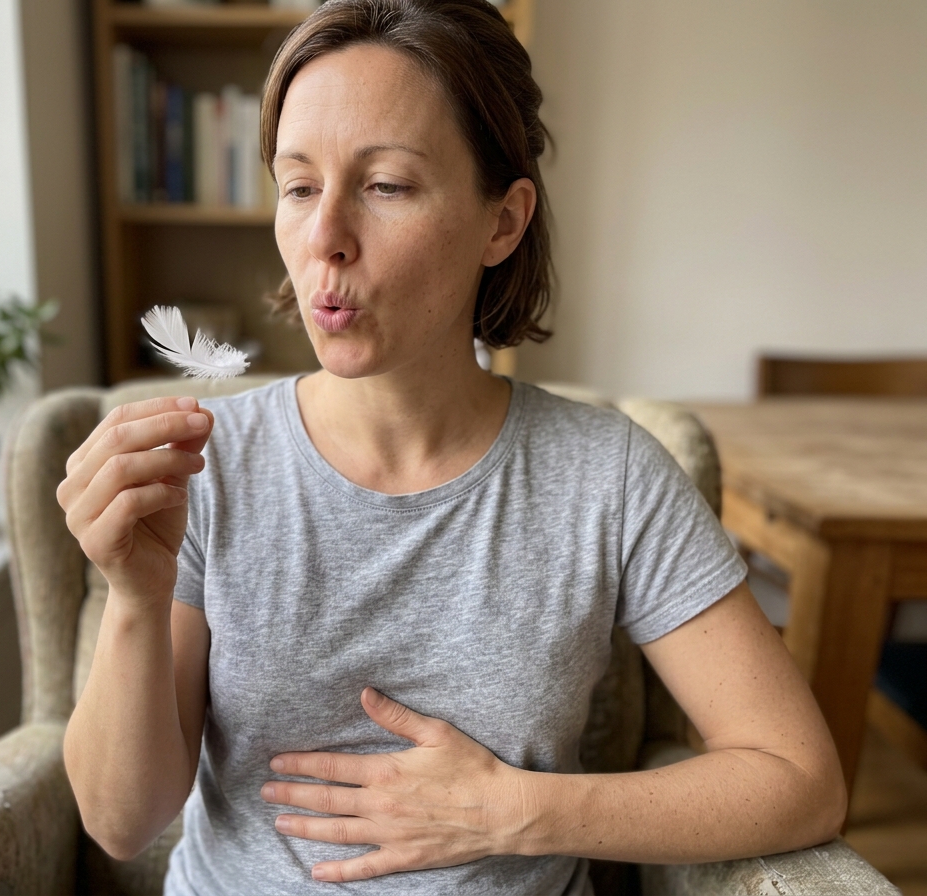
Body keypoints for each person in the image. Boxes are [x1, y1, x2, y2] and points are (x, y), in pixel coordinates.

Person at [57, 1, 846, 892]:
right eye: (299, 185)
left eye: (386, 185)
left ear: (502, 223)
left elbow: (800, 780)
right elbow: (121, 823)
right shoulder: (206, 466)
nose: (324, 241)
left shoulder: (608, 475)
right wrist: (134, 593)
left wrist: (517, 810)